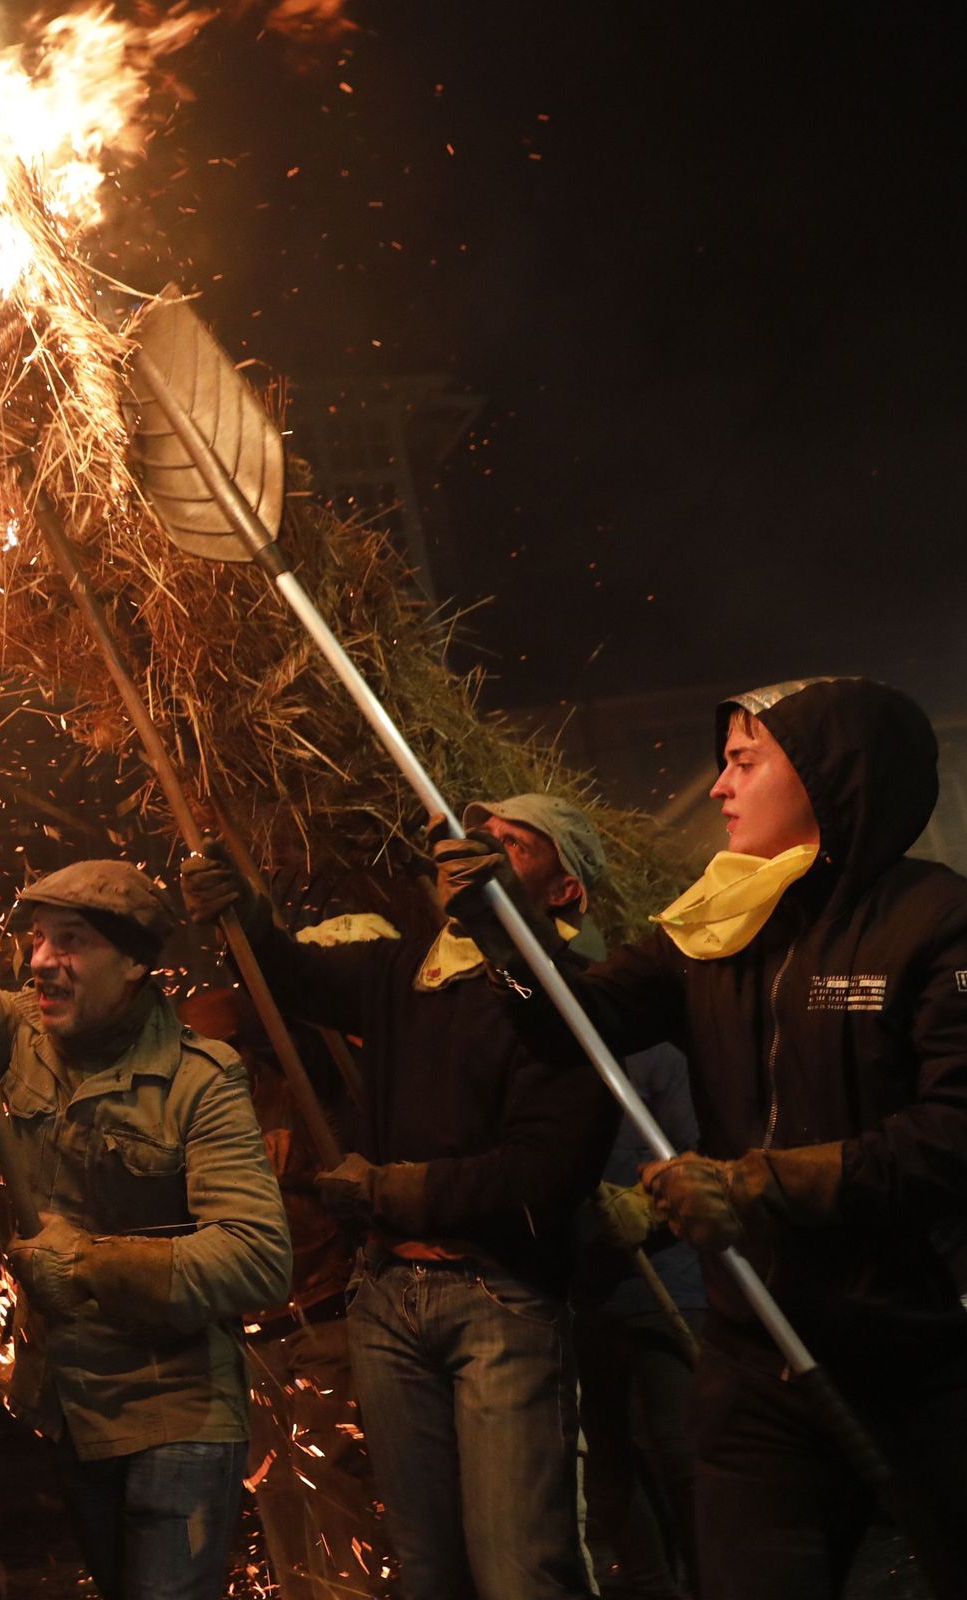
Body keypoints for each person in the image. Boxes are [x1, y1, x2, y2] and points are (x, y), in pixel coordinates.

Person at [441, 678, 967, 1598]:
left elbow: (953, 1134)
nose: (719, 787)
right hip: (754, 1358)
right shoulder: (719, 921)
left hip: (916, 1358)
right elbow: (580, 1023)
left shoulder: (936, 920)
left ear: (827, 775)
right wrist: (506, 933)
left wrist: (765, 1182)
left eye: (742, 761)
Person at [0, 758, 292, 1600]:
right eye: (38, 937)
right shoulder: (17, 1035)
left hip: (178, 1421)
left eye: (71, 942)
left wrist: (88, 1262)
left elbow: (257, 1259)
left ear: (133, 965)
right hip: (71, 1414)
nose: (42, 961)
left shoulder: (203, 1078)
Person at [182, 792, 618, 1600]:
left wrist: (403, 1189)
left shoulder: (573, 1001)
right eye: (477, 837)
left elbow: (545, 1170)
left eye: (514, 847)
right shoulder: (403, 971)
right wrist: (246, 912)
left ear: (563, 891)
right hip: (386, 1298)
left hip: (500, 1300)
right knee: (428, 1571)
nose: (478, 849)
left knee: (521, 1569)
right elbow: (293, 977)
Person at [183, 985, 389, 1600]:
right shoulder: (198, 1110)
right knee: (283, 1521)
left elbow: (352, 1177)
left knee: (339, 1518)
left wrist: (297, 1165)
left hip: (320, 1327)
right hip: (250, 1344)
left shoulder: (306, 1088)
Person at [573, 1047, 703, 1600]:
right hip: (582, 1294)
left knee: (683, 1450)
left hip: (665, 1281)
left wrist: (645, 1206)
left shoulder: (654, 1061)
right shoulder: (541, 1065)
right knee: (609, 1461)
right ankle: (654, 1590)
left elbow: (697, 1158)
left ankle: (715, 1582)